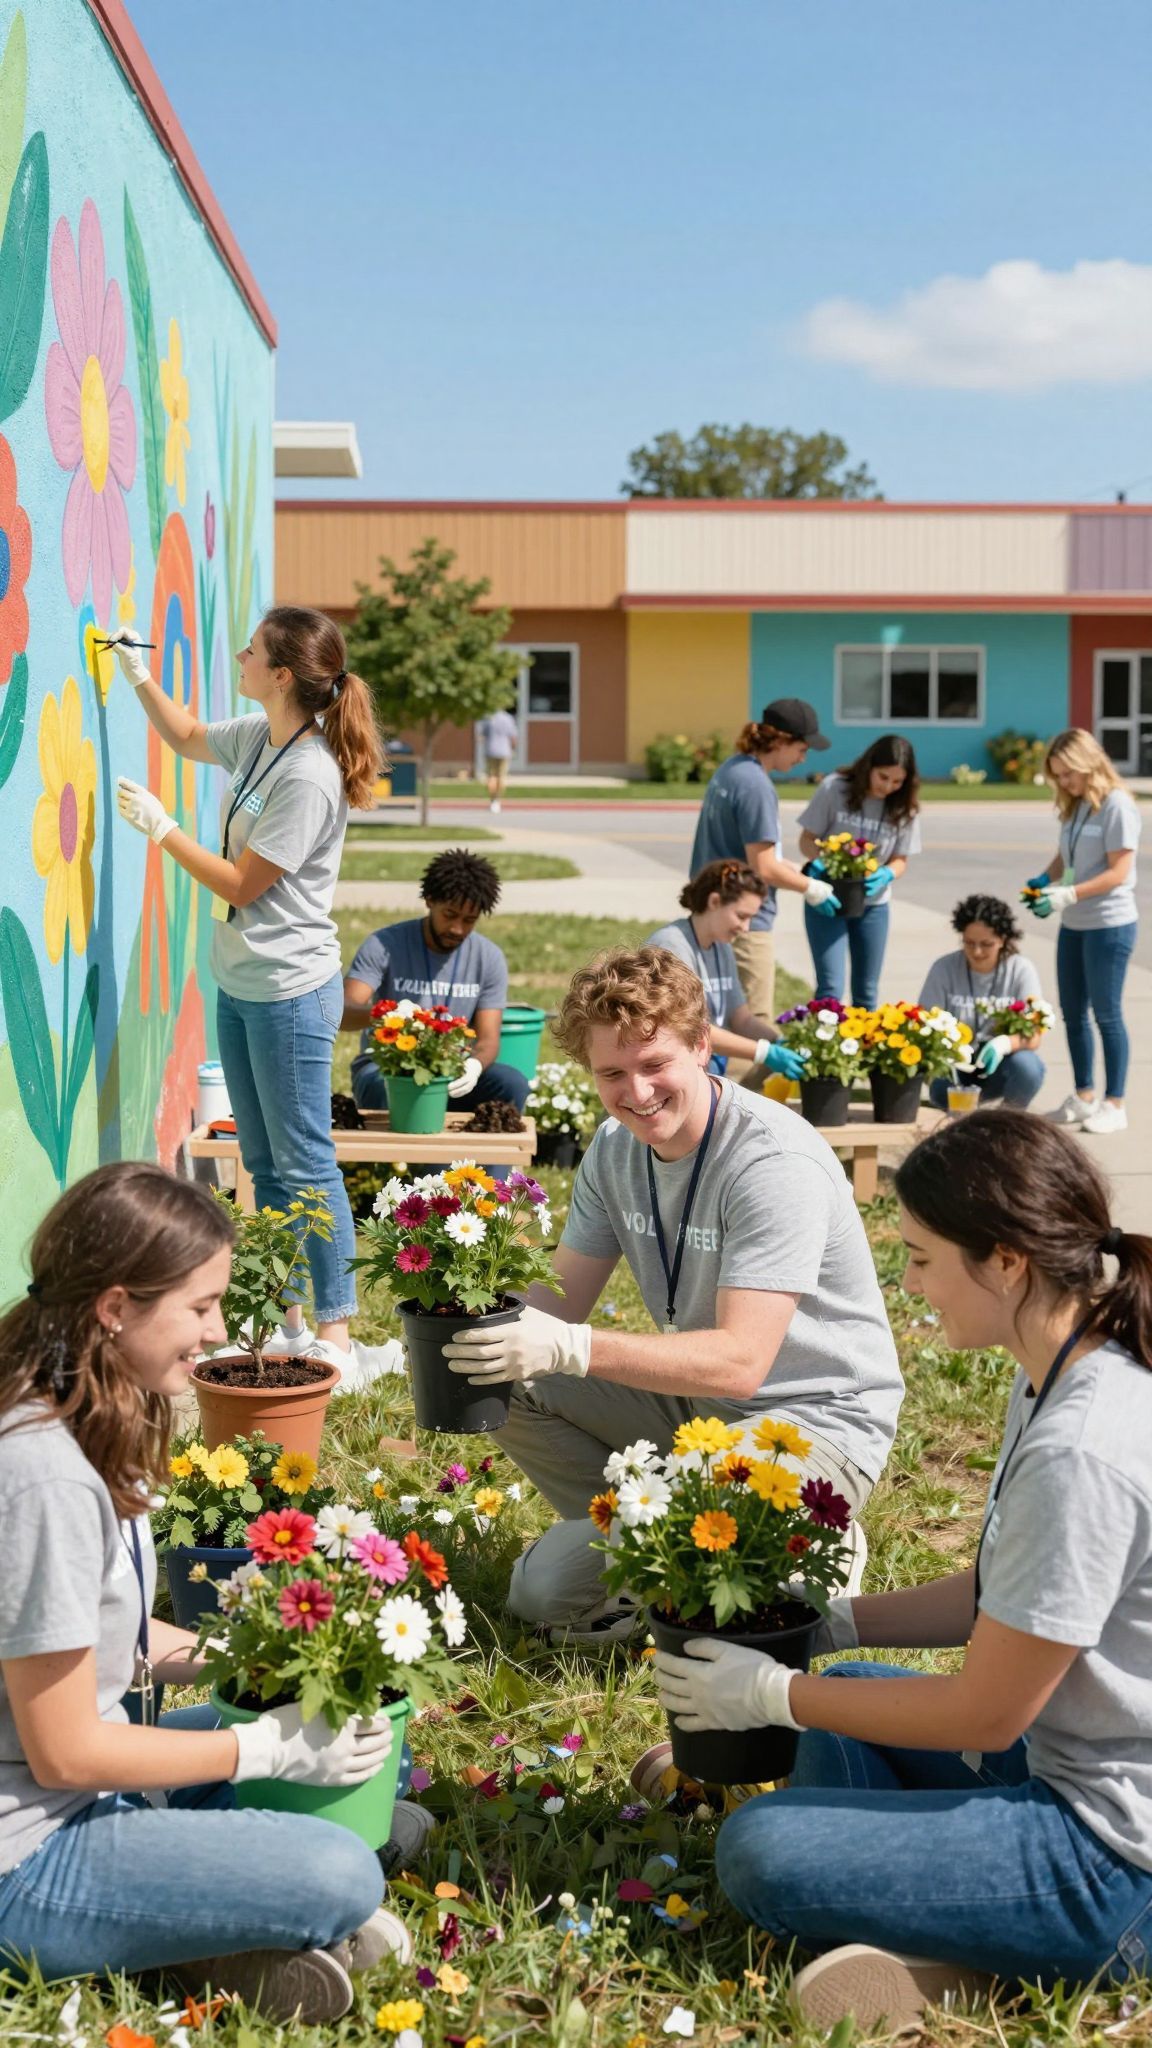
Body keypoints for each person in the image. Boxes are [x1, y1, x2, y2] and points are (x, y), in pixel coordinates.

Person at [657, 1113, 1152, 2036]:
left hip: (1116, 1859)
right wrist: (832, 1625)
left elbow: (982, 1714)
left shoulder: (1084, 1449)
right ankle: (942, 1911)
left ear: (1006, 1261)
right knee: (849, 1699)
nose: (910, 1284)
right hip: (1062, 1762)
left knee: (760, 1849)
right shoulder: (1054, 1365)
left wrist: (772, 1692)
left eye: (923, 1259)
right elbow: (994, 1597)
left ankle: (976, 1959)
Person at [0, 1162, 417, 2025]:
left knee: (365, 1745)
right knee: (342, 1869)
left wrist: (251, 1660)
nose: (218, 1329)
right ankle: (209, 1945)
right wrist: (261, 1752)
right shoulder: (40, 1476)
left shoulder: (86, 1411)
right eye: (199, 1307)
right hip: (26, 1855)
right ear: (115, 1308)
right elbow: (66, 1753)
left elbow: (100, 1642)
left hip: (89, 1785)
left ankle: (217, 1913)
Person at [442, 947, 904, 1642]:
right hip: (700, 1418)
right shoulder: (613, 1149)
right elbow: (557, 1306)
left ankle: (800, 1546)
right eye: (612, 1073)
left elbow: (742, 1362)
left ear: (701, 1046)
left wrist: (569, 1346)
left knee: (711, 1585)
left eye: (656, 1064)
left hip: (810, 1420)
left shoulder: (771, 1162)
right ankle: (658, 1543)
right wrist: (464, 1319)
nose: (639, 1091)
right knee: (505, 1402)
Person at [108, 612, 396, 1388]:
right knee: (264, 1163)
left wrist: (164, 830)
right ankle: (290, 1320)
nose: (240, 652)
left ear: (281, 675)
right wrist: (138, 673)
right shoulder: (264, 735)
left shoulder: (309, 773)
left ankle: (338, 1338)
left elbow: (243, 883)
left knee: (304, 1160)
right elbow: (187, 735)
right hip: (240, 982)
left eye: (253, 648)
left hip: (289, 992)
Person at [689, 701, 839, 1039]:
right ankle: (738, 1093)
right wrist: (811, 888)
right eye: (801, 749)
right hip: (745, 921)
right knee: (753, 1024)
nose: (803, 758)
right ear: (779, 741)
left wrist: (798, 870)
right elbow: (764, 867)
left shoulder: (731, 770)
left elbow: (749, 852)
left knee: (724, 1019)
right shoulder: (756, 786)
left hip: (716, 912)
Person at [343, 847, 529, 1116]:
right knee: (377, 1083)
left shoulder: (489, 958)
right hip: (389, 1066)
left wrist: (474, 1065)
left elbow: (489, 1040)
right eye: (450, 914)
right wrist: (388, 1014)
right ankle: (392, 1158)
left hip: (452, 1069)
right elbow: (343, 1013)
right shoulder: (384, 944)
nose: (458, 929)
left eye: (469, 920)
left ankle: (482, 1159)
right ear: (429, 900)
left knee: (511, 1083)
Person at [1023, 728, 1141, 1137]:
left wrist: (1067, 893)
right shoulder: (1075, 807)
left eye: (1068, 773)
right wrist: (1044, 879)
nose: (1064, 783)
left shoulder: (1117, 806)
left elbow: (1118, 872)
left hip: (1110, 925)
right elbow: (1065, 856)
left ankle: (1115, 1103)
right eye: (1058, 776)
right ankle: (1084, 1095)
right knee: (1072, 1014)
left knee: (1106, 1014)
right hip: (1074, 923)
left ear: (1088, 762)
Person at [645, 860, 806, 1085]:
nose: (746, 928)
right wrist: (763, 1052)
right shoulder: (671, 945)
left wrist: (780, 1041)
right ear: (714, 901)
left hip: (704, 1071)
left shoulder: (722, 945)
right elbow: (685, 1027)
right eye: (741, 916)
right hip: (667, 1078)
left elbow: (740, 1018)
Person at [797, 735, 921, 1009]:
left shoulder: (904, 807)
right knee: (830, 987)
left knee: (866, 992)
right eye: (883, 777)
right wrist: (822, 860)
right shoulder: (835, 788)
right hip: (827, 899)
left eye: (897, 781)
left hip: (873, 905)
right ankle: (826, 1047)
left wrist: (887, 874)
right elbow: (806, 839)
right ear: (869, 767)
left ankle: (862, 1050)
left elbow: (901, 859)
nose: (888, 786)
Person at [919, 894, 1047, 1111]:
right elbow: (924, 1023)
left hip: (999, 1065)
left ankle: (1007, 1120)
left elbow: (1034, 1035)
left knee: (1029, 1066)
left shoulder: (1020, 970)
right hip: (956, 1068)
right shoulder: (944, 968)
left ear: (1003, 940)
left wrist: (1004, 1043)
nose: (977, 952)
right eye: (969, 943)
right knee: (941, 1087)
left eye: (986, 944)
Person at [477, 701, 518, 812]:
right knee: (501, 776)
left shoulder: (488, 718)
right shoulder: (508, 719)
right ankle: (498, 800)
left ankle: (493, 801)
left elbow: (481, 736)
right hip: (504, 751)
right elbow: (513, 737)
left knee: (491, 776)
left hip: (490, 751)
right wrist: (513, 748)